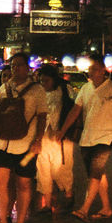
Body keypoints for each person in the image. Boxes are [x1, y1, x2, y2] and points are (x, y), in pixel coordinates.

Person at [0, 52, 47, 223]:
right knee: (1, 184)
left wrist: (38, 140)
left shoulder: (37, 91)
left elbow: (43, 117)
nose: (15, 68)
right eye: (12, 65)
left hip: (25, 145)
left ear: (28, 68)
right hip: (3, 143)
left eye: (19, 65)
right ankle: (3, 222)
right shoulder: (3, 88)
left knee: (24, 184)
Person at [57, 54, 112, 222]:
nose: (92, 72)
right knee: (97, 174)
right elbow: (75, 111)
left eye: (95, 69)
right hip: (87, 138)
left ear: (103, 70)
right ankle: (106, 207)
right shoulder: (85, 89)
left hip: (105, 137)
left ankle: (84, 209)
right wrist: (62, 130)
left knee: (95, 172)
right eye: (90, 70)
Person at [34, 64, 75, 213]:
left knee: (62, 168)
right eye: (41, 81)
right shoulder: (39, 93)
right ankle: (48, 202)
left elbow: (74, 111)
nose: (43, 84)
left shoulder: (65, 91)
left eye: (46, 81)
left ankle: (69, 194)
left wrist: (63, 130)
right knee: (43, 168)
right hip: (42, 137)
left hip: (61, 138)